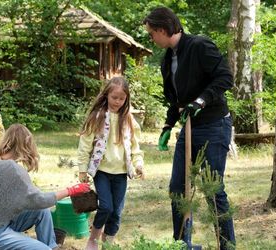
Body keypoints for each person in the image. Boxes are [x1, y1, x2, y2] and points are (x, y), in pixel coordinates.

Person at [143, 7, 235, 250]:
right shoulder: (167, 60)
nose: (151, 38)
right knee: (178, 189)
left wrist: (201, 101)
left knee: (211, 189)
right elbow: (177, 100)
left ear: (163, 30)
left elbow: (225, 77)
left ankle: (227, 245)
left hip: (214, 125)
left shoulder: (199, 46)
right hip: (190, 128)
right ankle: (182, 245)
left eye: (152, 33)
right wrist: (167, 125)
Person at [0, 124, 90, 250]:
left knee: (41, 212)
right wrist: (70, 191)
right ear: (26, 143)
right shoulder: (13, 170)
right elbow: (39, 200)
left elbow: (31, 199)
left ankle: (52, 246)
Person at [77, 76, 144, 250]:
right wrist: (82, 170)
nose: (118, 102)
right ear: (106, 95)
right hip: (102, 171)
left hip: (121, 173)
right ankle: (93, 239)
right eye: (114, 97)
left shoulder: (128, 119)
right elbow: (84, 145)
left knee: (116, 212)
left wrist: (139, 164)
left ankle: (108, 244)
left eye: (122, 99)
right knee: (106, 207)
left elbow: (135, 146)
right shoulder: (97, 117)